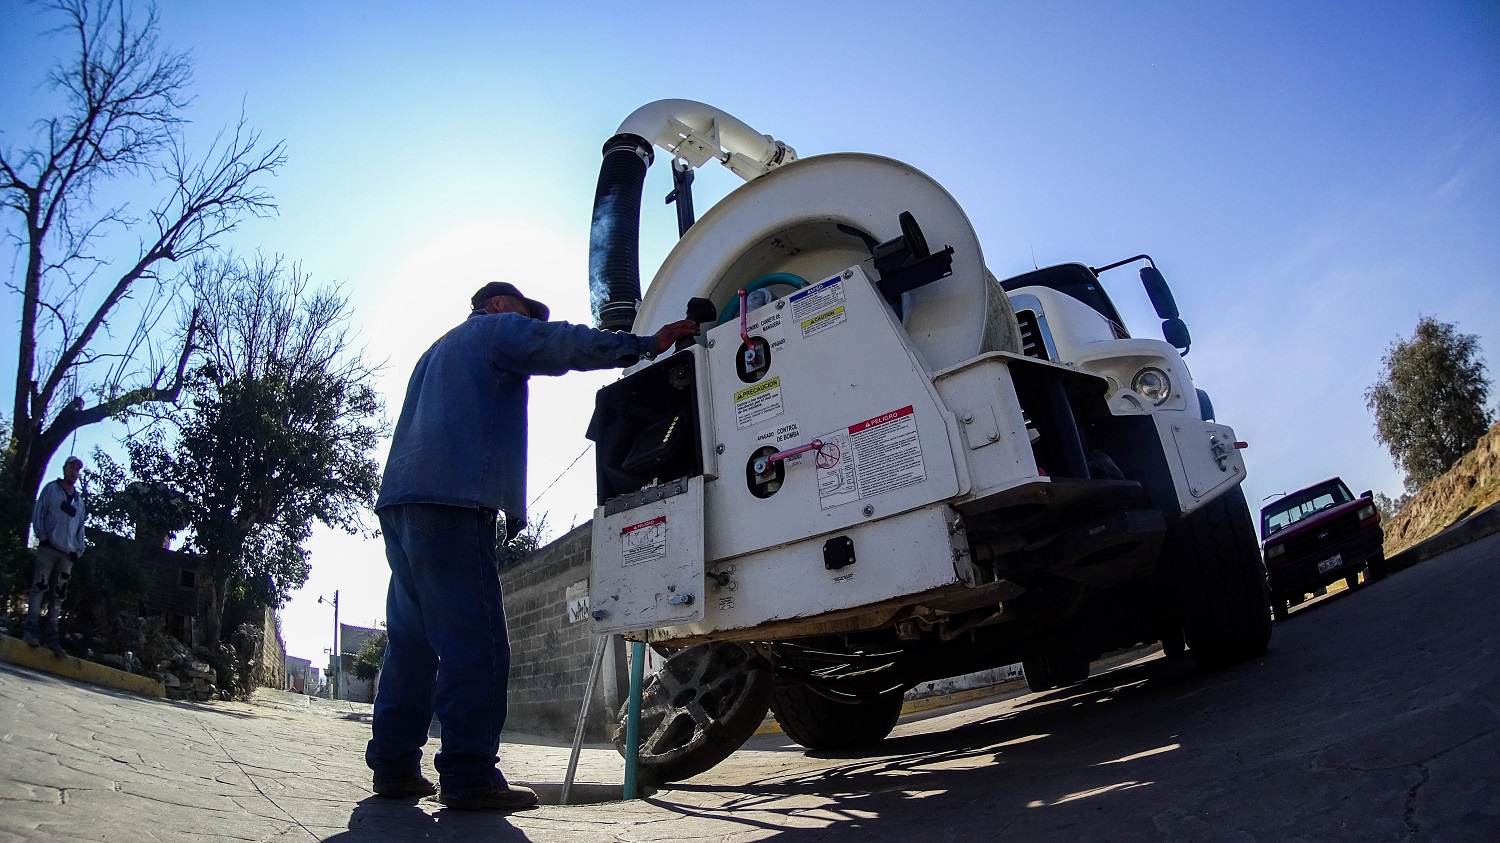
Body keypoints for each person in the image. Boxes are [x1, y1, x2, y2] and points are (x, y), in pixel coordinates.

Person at [366, 281, 699, 811]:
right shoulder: (495, 330)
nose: (531, 325)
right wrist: (642, 345)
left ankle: (392, 767)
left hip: (403, 504)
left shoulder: (435, 352)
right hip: (453, 503)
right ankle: (469, 773)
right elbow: (562, 344)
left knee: (412, 643)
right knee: (476, 644)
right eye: (526, 314)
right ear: (498, 304)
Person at [26, 455, 87, 655]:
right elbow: (39, 512)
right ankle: (31, 631)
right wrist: (42, 536)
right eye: (71, 467)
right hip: (48, 548)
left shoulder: (78, 501)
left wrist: (78, 551)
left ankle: (52, 637)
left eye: (77, 469)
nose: (74, 472)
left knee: (58, 596)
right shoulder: (51, 489)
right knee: (39, 588)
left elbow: (80, 528)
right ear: (64, 468)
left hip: (67, 555)